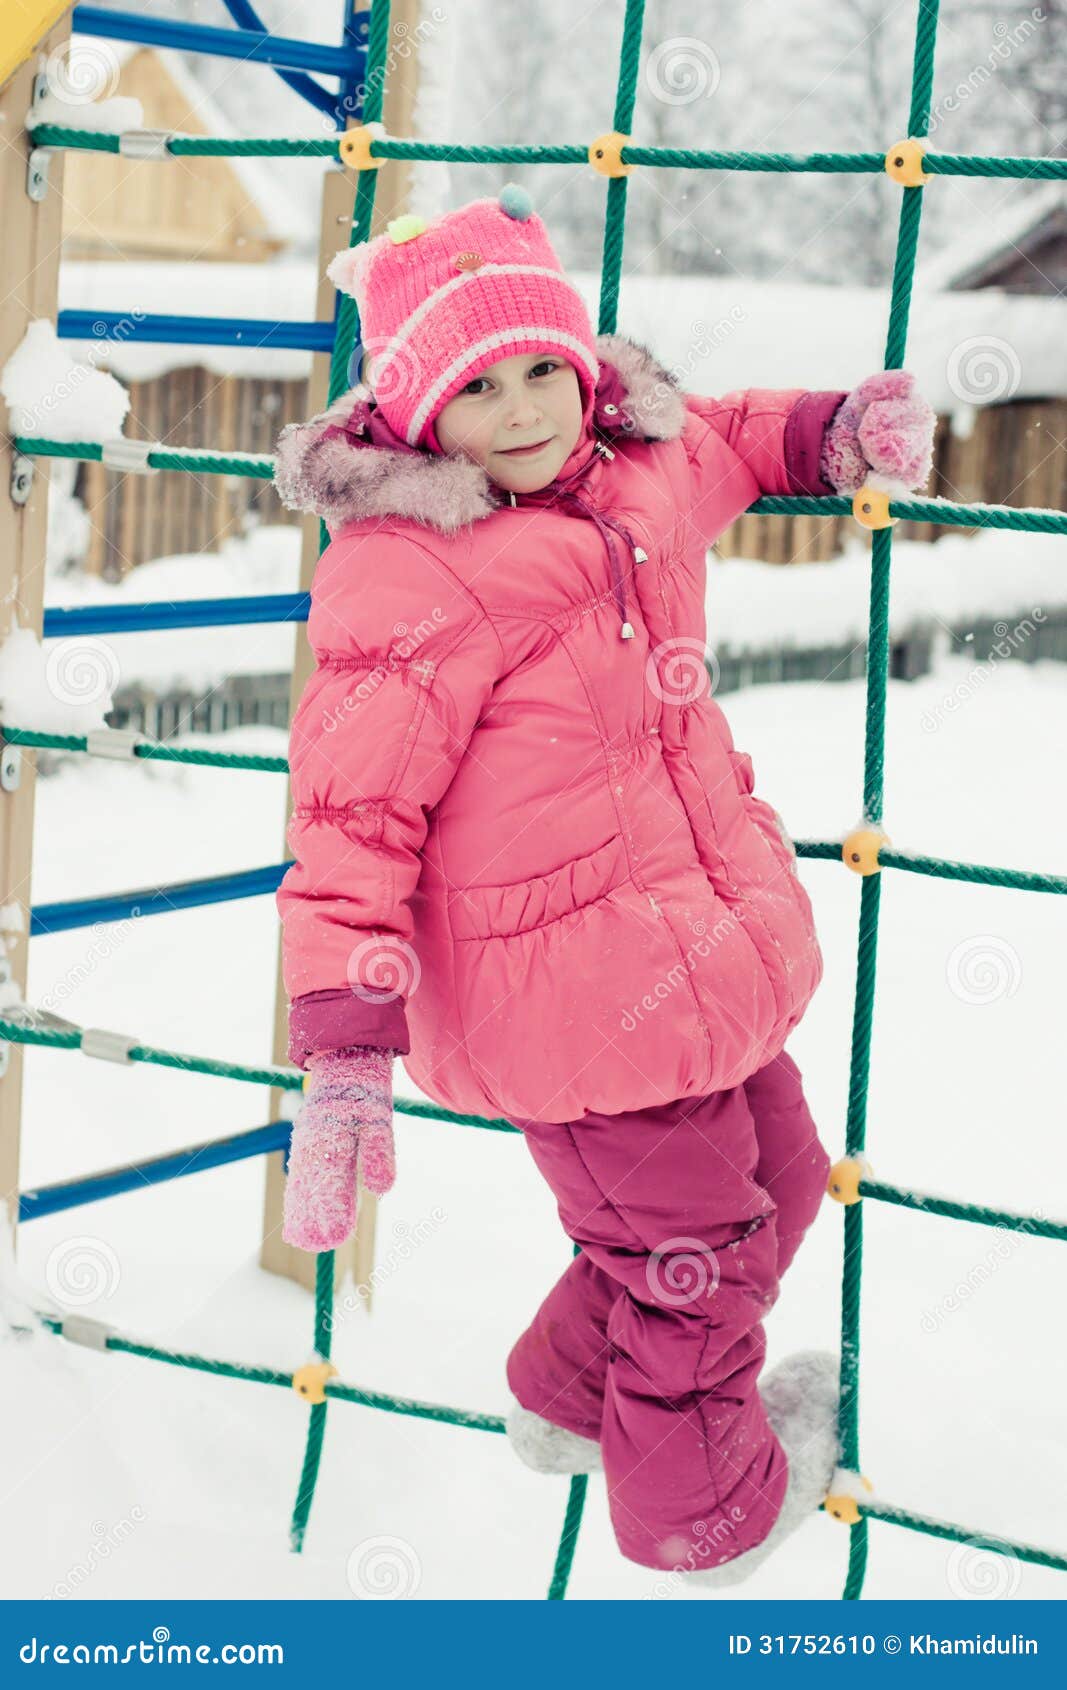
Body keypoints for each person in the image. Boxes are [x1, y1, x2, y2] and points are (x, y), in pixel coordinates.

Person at [271, 185, 935, 1583]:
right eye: (475, 389)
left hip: (691, 946)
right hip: (566, 1005)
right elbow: (350, 818)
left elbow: (731, 437)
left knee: (785, 1178)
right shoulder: (414, 576)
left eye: (541, 370)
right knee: (698, 1252)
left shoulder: (633, 470)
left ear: (582, 368)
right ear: (414, 416)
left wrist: (832, 432)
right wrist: (343, 1045)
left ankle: (573, 1396)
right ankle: (705, 1516)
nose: (520, 410)